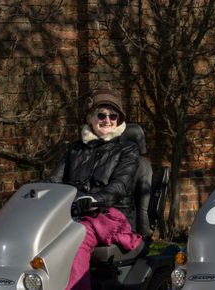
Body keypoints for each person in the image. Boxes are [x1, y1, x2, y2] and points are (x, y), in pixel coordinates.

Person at [44, 90, 143, 290]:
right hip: (74, 213)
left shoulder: (127, 149)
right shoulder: (75, 149)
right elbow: (54, 181)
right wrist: (36, 191)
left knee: (77, 235)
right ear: (90, 117)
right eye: (101, 115)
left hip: (110, 213)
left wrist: (92, 199)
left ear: (119, 120)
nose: (107, 120)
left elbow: (120, 186)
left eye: (112, 116)